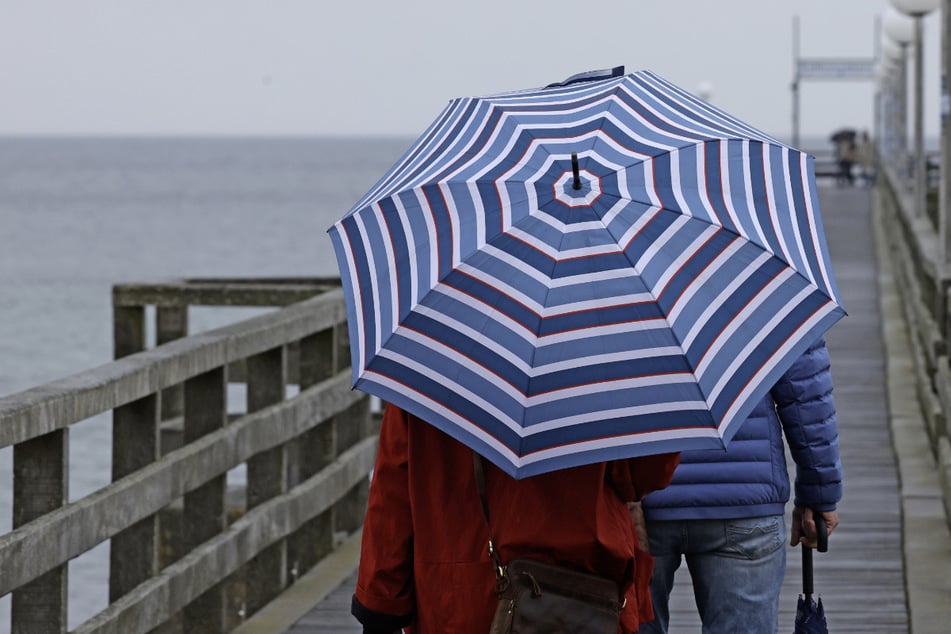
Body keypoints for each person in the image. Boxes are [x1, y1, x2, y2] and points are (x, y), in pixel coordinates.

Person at [351, 403, 681, 634]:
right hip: (578, 595)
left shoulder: (431, 361)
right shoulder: (600, 354)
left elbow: (392, 494)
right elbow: (641, 477)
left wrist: (380, 606)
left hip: (459, 594)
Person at [639, 337, 843, 634]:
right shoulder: (772, 289)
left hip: (636, 501)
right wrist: (819, 493)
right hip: (744, 499)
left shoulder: (599, 290)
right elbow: (806, 392)